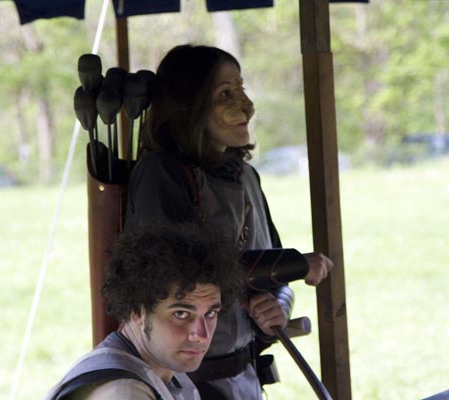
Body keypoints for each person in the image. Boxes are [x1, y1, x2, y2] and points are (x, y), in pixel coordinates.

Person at [124, 44, 334, 399]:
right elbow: (185, 276)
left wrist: (276, 310)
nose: (247, 106)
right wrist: (298, 264)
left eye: (241, 90)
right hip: (184, 386)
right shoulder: (161, 175)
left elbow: (274, 277)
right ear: (189, 107)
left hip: (244, 379)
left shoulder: (246, 176)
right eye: (225, 94)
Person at [43, 223, 245, 400]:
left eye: (210, 314)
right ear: (136, 311)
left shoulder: (163, 370)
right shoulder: (124, 392)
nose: (201, 334)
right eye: (181, 314)